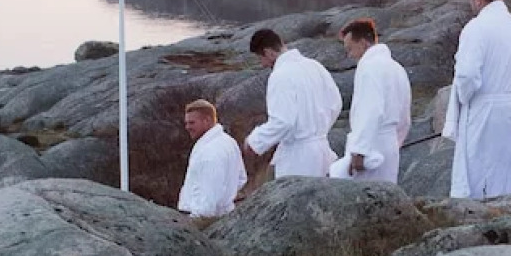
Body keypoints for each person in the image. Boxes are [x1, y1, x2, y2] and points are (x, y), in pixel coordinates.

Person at [444, 0, 511, 198]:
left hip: (486, 112)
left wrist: (465, 99)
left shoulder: (476, 28)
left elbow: (467, 75)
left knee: (483, 174)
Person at [244, 28, 342, 178]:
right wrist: (319, 129)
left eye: (260, 58)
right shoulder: (315, 66)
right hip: (322, 150)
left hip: (297, 159)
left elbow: (282, 121)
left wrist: (254, 141)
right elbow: (336, 103)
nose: (262, 64)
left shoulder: (280, 76)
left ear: (268, 52)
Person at [330, 18, 413, 182]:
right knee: (386, 192)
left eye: (350, 49)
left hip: (372, 145)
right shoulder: (396, 68)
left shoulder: (369, 67)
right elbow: (405, 113)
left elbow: (370, 109)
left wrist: (359, 151)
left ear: (363, 43)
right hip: (390, 144)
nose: (350, 55)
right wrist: (396, 142)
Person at [176, 99, 246, 217]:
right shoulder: (228, 142)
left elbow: (208, 203)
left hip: (202, 219)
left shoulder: (211, 152)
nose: (187, 127)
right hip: (223, 215)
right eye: (186, 123)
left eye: (192, 123)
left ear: (207, 120)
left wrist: (195, 219)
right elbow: (241, 178)